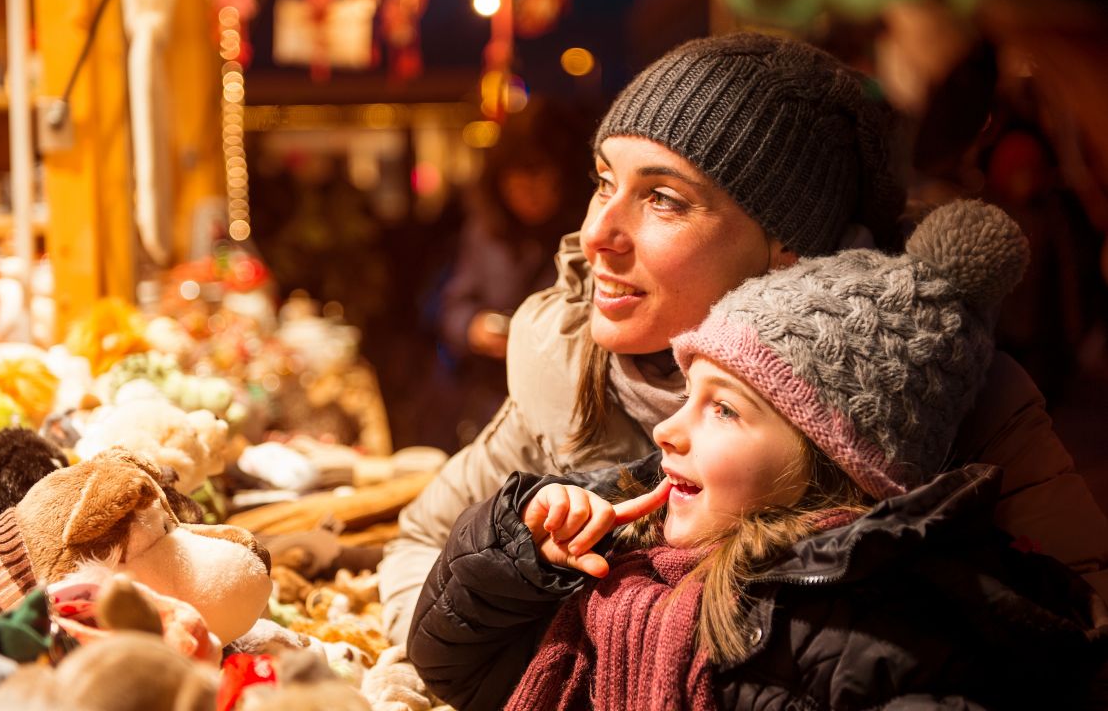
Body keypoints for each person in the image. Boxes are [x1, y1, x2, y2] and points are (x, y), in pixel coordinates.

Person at [378, 32, 1108, 645]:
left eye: (662, 198)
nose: (596, 234)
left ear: (787, 245)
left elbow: (1088, 631)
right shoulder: (569, 368)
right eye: (605, 181)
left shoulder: (943, 388)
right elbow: (421, 546)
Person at [409, 200, 1107, 710]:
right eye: (690, 393)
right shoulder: (631, 568)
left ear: (834, 463)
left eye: (723, 408)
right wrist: (515, 558)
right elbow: (458, 670)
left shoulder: (877, 641)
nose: (667, 432)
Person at [430, 98, 594, 449]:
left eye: (539, 175)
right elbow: (453, 307)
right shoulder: (487, 231)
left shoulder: (589, 236)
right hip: (491, 402)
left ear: (562, 176)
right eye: (515, 177)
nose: (526, 190)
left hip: (568, 409)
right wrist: (473, 329)